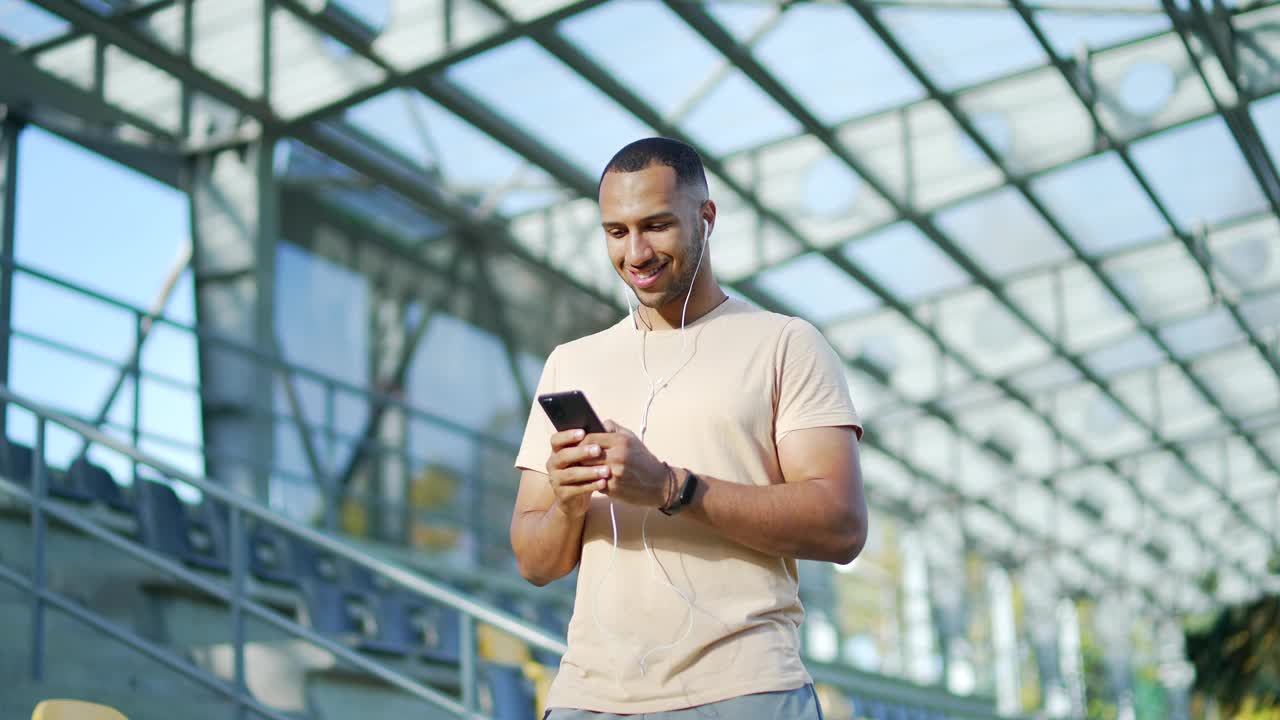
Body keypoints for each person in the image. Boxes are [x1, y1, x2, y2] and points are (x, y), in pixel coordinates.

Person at [510, 137, 868, 719]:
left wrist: (674, 489)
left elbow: (842, 525)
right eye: (616, 232)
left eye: (656, 226)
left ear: (706, 217)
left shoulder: (785, 344)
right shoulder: (569, 363)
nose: (636, 253)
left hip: (744, 692)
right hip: (588, 700)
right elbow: (534, 562)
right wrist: (569, 505)